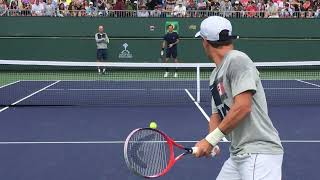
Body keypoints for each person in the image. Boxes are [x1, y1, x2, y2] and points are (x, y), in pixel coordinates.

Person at [194, 16, 284, 180]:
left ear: (205, 42)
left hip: (258, 152)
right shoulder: (215, 75)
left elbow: (243, 107)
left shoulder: (237, 59)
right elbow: (216, 115)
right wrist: (210, 141)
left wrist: (210, 140)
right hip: (238, 155)